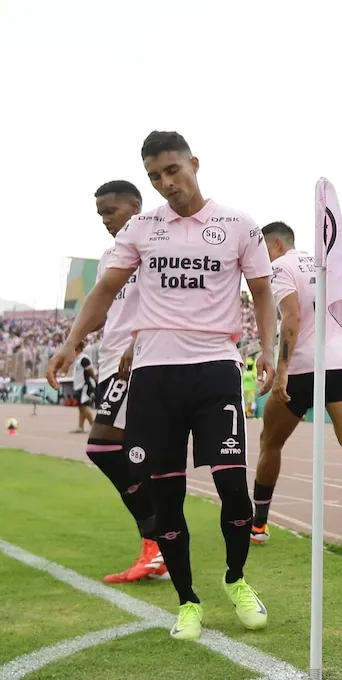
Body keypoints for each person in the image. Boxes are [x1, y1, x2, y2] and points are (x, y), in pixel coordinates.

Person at [47, 131, 277, 641]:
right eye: (155, 176)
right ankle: (187, 601)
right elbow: (105, 290)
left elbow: (261, 292)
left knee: (233, 491)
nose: (166, 183)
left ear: (194, 163)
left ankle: (236, 579)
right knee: (166, 496)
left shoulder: (238, 224)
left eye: (173, 170)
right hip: (154, 377)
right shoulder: (142, 227)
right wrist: (70, 343)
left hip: (216, 369)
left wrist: (270, 350)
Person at [249, 221, 342, 552]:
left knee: (270, 442)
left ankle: (258, 524)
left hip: (304, 366)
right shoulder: (324, 265)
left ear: (277, 244)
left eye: (263, 249)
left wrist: (281, 371)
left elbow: (290, 317)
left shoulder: (279, 267)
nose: (261, 258)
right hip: (341, 363)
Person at [86, 179, 166, 584]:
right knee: (139, 457)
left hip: (136, 363)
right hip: (107, 366)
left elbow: (165, 301)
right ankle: (159, 547)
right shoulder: (109, 257)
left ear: (135, 206)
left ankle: (155, 542)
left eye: (110, 211)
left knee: (102, 446)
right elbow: (105, 307)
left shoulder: (156, 247)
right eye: (99, 213)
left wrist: (139, 343)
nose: (104, 220)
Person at [69, 350, 97, 434]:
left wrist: (95, 379)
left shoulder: (84, 359)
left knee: (84, 406)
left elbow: (90, 370)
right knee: (81, 406)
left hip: (84, 385)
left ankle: (93, 426)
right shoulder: (78, 360)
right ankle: (80, 427)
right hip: (78, 386)